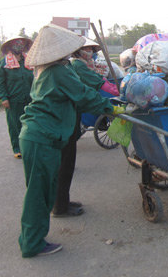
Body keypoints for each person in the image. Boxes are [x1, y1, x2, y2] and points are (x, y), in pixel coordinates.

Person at [18, 24, 125, 257]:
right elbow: (84, 95)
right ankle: (32, 243)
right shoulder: (58, 71)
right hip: (41, 136)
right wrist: (112, 109)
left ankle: (35, 235)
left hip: (43, 135)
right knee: (39, 192)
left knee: (44, 190)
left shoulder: (50, 69)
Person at [52, 37, 119, 217]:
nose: (89, 52)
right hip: (62, 120)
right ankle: (59, 206)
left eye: (91, 49)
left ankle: (62, 202)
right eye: (86, 49)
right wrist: (111, 107)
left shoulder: (67, 66)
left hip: (67, 117)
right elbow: (83, 93)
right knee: (64, 165)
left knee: (67, 164)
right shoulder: (66, 68)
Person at [0, 36, 34, 159]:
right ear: (11, 46)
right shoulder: (5, 63)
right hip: (13, 100)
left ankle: (29, 146)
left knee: (30, 123)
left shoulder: (28, 61)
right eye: (16, 44)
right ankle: (17, 148)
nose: (19, 45)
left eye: (21, 44)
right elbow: (0, 83)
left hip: (30, 98)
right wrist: (3, 98)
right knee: (15, 125)